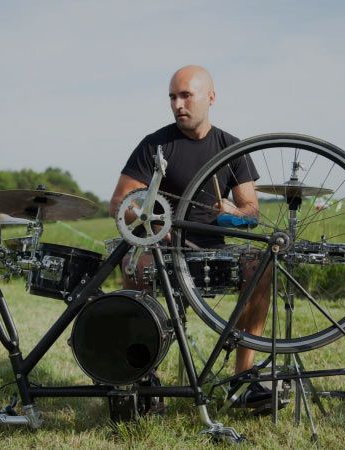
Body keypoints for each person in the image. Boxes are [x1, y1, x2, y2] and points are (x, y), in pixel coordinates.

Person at [110, 65, 271, 405]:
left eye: (186, 95)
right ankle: (145, 377)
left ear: (210, 98)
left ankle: (243, 379)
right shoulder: (155, 146)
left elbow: (252, 213)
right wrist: (152, 225)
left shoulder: (232, 147)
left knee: (260, 266)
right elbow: (121, 202)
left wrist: (235, 214)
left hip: (213, 252)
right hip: (164, 250)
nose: (177, 104)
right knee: (133, 264)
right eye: (172, 97)